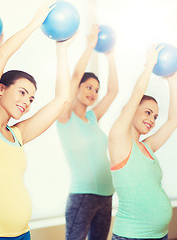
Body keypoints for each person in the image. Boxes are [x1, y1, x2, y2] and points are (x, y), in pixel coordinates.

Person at [0, 1, 75, 239]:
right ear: (1, 89)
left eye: (32, 98)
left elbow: (62, 99)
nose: (27, 102)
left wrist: (61, 50)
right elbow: (3, 55)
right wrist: (35, 23)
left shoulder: (18, 134)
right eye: (22, 92)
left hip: (22, 233)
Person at [108, 45, 177, 240]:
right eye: (148, 112)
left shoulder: (148, 147)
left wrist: (172, 81)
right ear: (132, 112)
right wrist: (149, 66)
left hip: (160, 235)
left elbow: (175, 120)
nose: (152, 120)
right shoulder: (119, 142)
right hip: (132, 236)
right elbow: (136, 94)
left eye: (155, 116)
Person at [56, 24, 119, 240]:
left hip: (106, 194)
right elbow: (74, 76)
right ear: (79, 88)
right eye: (88, 87)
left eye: (96, 90)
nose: (93, 92)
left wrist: (110, 55)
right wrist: (90, 46)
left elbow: (113, 91)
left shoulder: (92, 118)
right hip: (82, 195)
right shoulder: (65, 117)